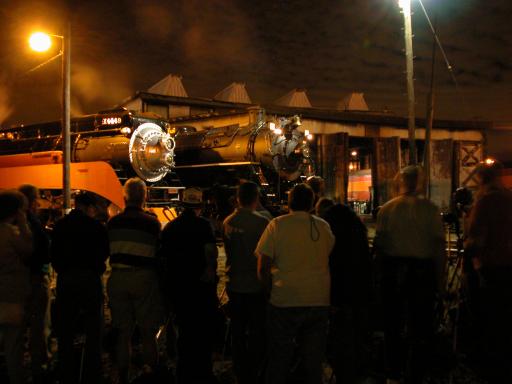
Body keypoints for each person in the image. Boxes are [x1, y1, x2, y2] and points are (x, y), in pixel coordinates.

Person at [256, 183, 335, 384]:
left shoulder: (277, 225)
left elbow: (263, 266)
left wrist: (268, 291)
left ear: (289, 202)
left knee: (279, 357)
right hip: (318, 299)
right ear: (312, 203)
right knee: (313, 360)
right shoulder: (323, 226)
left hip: (285, 299)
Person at [373, 165, 445, 384]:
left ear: (400, 182)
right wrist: (441, 281)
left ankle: (393, 371)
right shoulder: (431, 209)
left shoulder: (387, 209)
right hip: (422, 273)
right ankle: (416, 373)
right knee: (420, 326)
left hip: (394, 271)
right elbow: (438, 247)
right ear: (420, 183)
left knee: (393, 325)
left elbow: (380, 244)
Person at [107, 177, 163, 383]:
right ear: (144, 197)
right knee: (148, 332)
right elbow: (159, 252)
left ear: (125, 197)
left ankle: (123, 374)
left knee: (123, 332)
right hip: (143, 278)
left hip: (118, 278)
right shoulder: (152, 224)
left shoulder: (113, 223)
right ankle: (150, 373)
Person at [161, 187, 219, 384]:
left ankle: (183, 371)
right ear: (200, 207)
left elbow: (163, 258)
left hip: (179, 286)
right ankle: (203, 371)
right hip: (200, 287)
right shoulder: (204, 226)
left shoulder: (170, 228)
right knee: (201, 332)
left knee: (184, 330)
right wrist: (210, 272)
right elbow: (210, 252)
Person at [50, 191, 109, 384]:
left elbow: (55, 254)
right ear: (89, 207)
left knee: (66, 325)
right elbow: (103, 253)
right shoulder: (96, 227)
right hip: (90, 278)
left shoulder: (60, 226)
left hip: (66, 278)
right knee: (94, 324)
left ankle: (66, 367)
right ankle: (92, 368)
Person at [464, 160, 512, 383]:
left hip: (490, 268)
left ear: (481, 180)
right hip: (508, 266)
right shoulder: (509, 198)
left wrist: (471, 254)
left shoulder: (486, 202)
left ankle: (487, 366)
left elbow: (477, 239)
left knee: (487, 318)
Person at [317, 198, 372, 384]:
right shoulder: (357, 234)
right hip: (358, 291)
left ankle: (342, 369)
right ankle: (356, 369)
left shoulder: (329, 236)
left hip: (337, 292)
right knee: (356, 333)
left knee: (339, 335)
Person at [223, 181, 270, 384]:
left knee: (238, 329)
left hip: (235, 283)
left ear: (238, 199)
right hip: (256, 284)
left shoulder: (227, 222)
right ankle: (255, 367)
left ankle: (239, 367)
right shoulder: (262, 223)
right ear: (256, 198)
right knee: (257, 329)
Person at [18, 184, 51, 383]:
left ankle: (19, 364)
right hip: (36, 278)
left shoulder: (10, 224)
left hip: (18, 280)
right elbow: (43, 251)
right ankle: (40, 366)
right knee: (40, 325)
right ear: (31, 202)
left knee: (19, 328)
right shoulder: (33, 223)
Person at [0, 190, 32, 384]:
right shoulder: (10, 233)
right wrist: (23, 222)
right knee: (13, 346)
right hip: (10, 294)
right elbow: (28, 249)